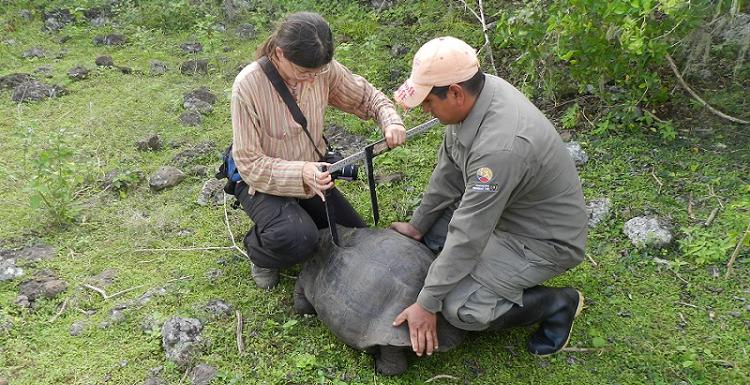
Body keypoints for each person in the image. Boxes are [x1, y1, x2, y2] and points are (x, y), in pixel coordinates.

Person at [389, 36, 588, 358]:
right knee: (429, 244)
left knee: (459, 307)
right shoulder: (477, 94)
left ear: (454, 92)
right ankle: (483, 272)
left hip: (539, 239)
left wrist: (427, 304)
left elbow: (469, 232)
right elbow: (449, 172)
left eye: (427, 102)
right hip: (503, 210)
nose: (425, 110)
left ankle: (558, 303)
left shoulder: (501, 148)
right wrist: (418, 225)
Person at [231, 12, 406, 289]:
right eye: (303, 73)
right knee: (298, 237)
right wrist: (302, 173)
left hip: (314, 174)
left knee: (355, 235)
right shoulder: (248, 86)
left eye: (317, 73)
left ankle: (298, 218)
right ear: (280, 54)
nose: (312, 81)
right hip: (261, 182)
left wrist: (390, 120)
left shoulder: (322, 70)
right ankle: (261, 254)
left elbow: (365, 96)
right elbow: (249, 164)